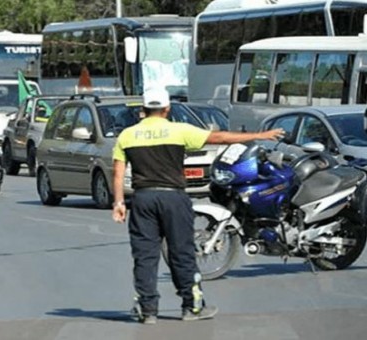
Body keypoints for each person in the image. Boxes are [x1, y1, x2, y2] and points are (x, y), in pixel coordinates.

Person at [111, 88, 284, 324]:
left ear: (143, 109)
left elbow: (118, 174)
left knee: (145, 257)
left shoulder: (127, 136)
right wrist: (262, 135)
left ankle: (147, 310)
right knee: (181, 253)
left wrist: (119, 202)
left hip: (143, 199)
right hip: (173, 198)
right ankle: (191, 307)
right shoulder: (179, 130)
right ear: (167, 108)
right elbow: (221, 138)